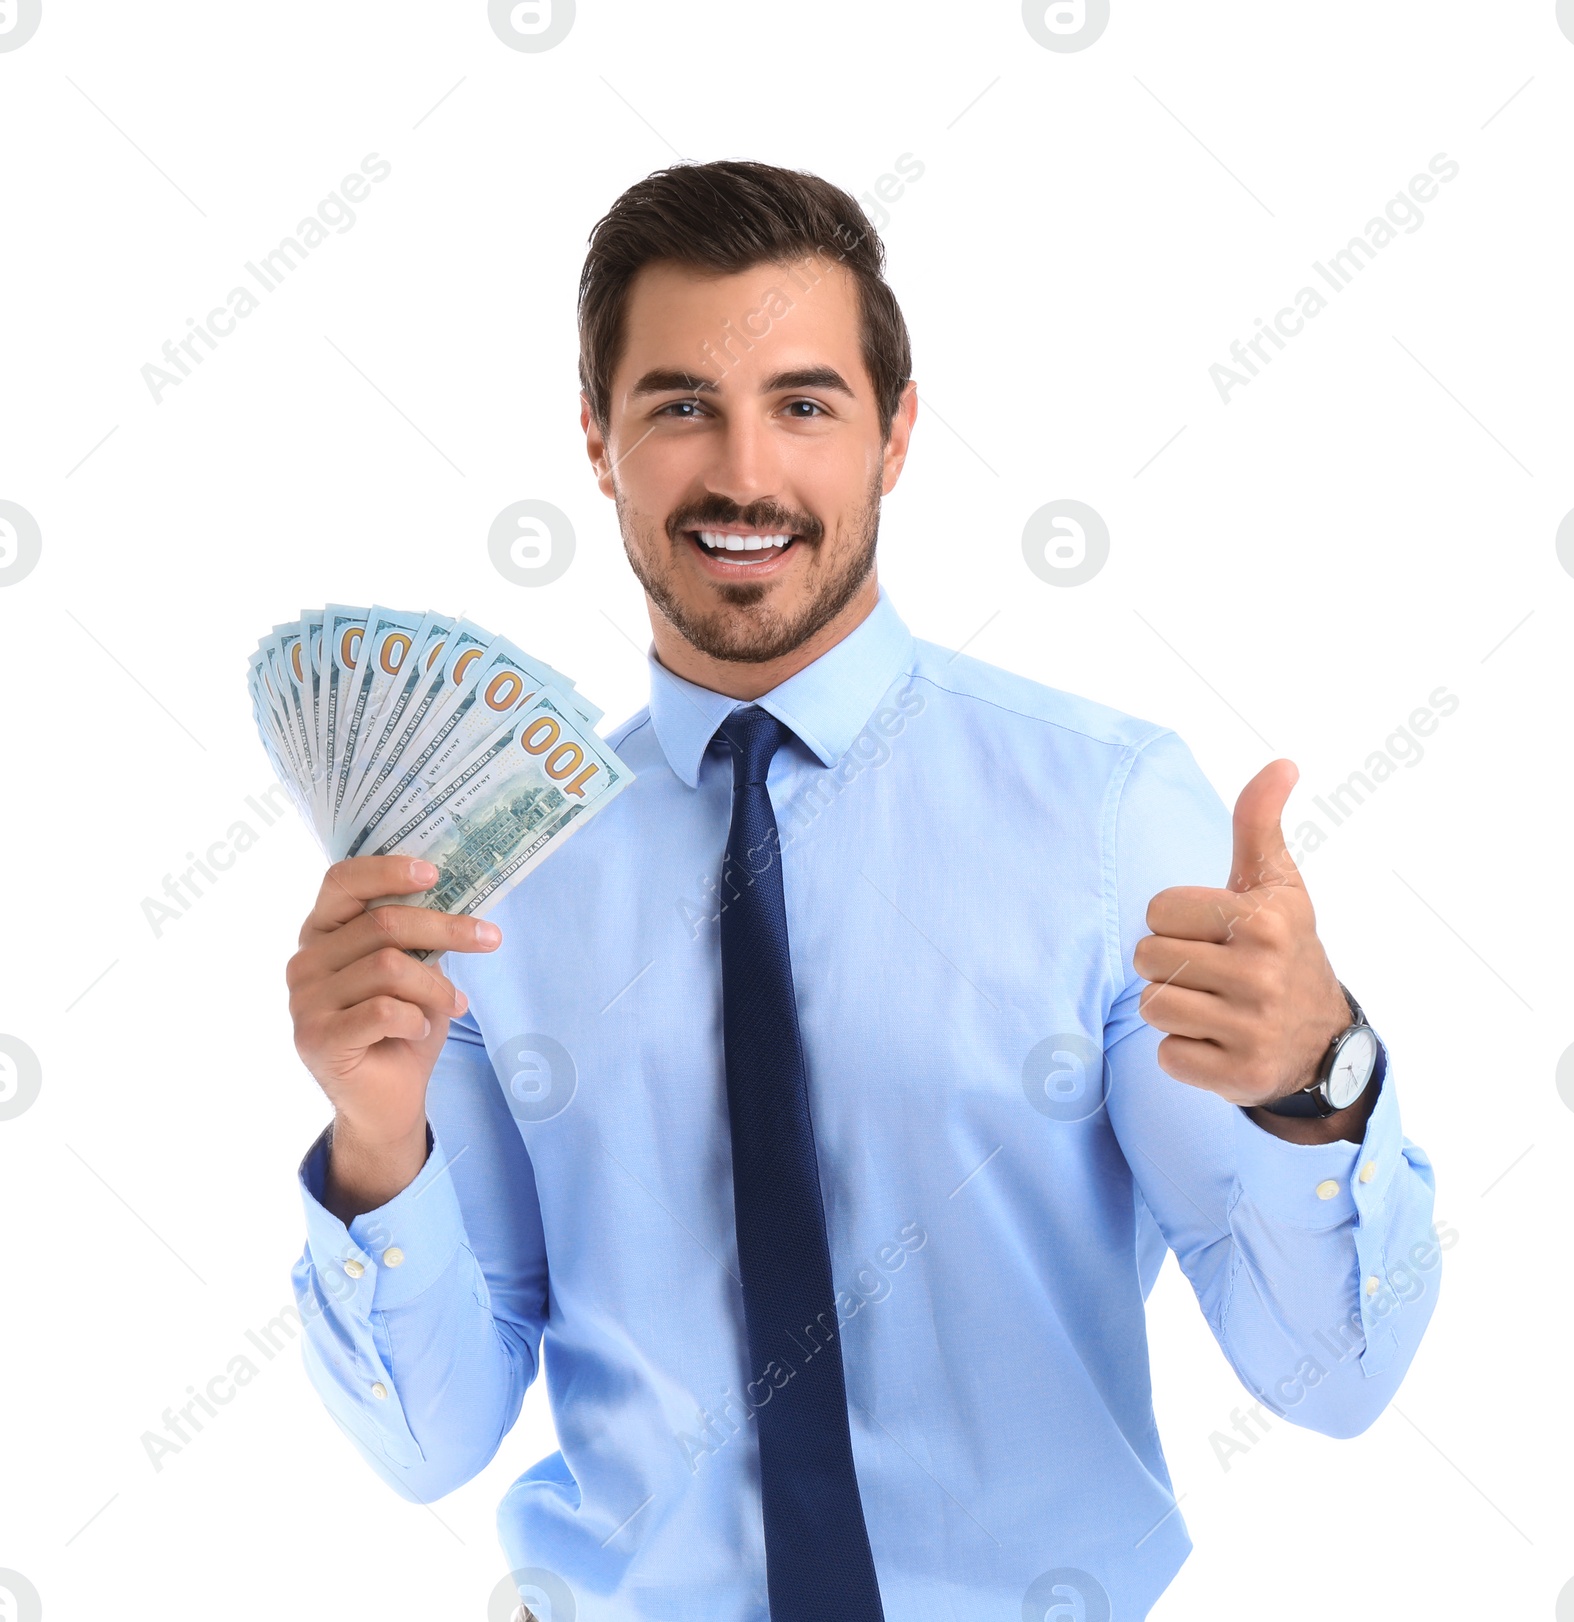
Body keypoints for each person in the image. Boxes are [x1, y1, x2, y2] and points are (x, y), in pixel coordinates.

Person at [285, 161, 1440, 1622]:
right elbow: (426, 1440)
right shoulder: (502, 870)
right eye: (680, 405)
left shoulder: (1107, 812)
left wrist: (1318, 1082)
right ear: (598, 441)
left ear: (897, 434)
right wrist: (374, 1132)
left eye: (806, 404)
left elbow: (1331, 1375)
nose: (747, 474)